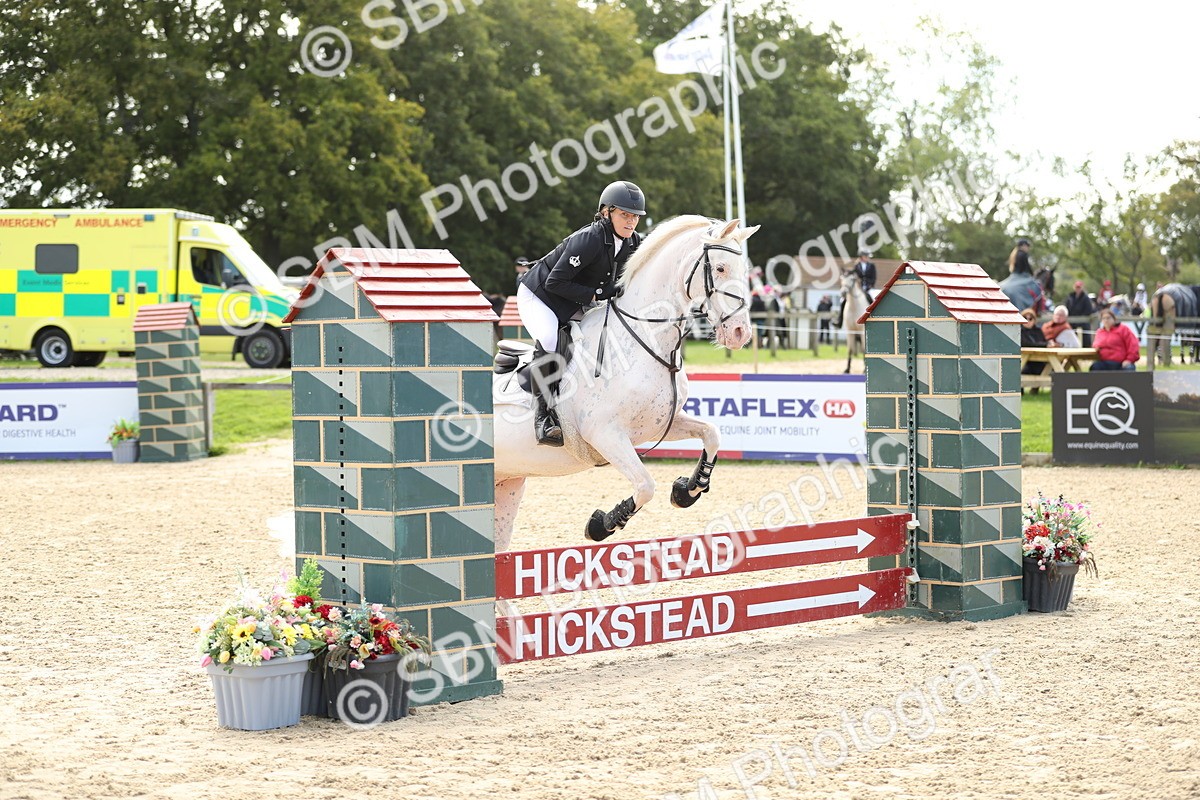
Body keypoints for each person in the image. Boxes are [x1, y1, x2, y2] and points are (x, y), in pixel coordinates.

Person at [517, 180, 645, 446]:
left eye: (635, 216)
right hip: (539, 296)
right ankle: (543, 417)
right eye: (624, 214)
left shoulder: (633, 242)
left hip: (573, 301)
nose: (631, 221)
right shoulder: (589, 239)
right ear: (606, 212)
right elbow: (554, 283)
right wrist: (597, 295)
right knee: (550, 339)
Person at [1065, 280, 1095, 346]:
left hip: (1083, 321)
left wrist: (1081, 318)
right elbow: (1067, 307)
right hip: (1072, 321)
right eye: (1076, 287)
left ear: (1082, 288)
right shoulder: (1070, 297)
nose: (1078, 289)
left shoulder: (1086, 298)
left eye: (1079, 287)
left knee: (1085, 339)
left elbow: (1088, 310)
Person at [1019, 308, 1049, 375]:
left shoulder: (1038, 331)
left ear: (1034, 320)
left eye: (1030, 319)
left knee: (1050, 367)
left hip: (1040, 359)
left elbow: (1043, 341)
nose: (1027, 321)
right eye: (1025, 318)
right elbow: (1026, 344)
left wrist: (1049, 344)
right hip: (1025, 361)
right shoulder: (1018, 331)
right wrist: (1045, 345)